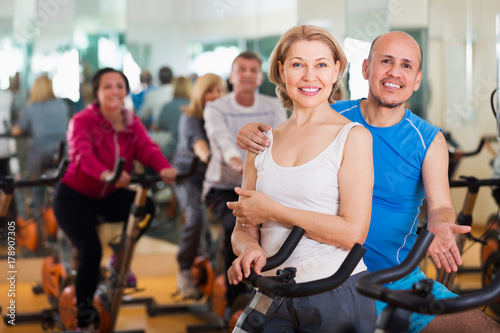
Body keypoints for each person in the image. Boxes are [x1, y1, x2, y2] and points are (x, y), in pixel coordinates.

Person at [233, 31, 500, 332]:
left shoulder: (427, 139)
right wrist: (251, 135)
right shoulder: (331, 117)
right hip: (326, 276)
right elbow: (292, 131)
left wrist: (441, 225)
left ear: (417, 79)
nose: (394, 72)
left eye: (406, 66)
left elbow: (441, 207)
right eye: (386, 61)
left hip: (393, 278)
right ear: (365, 69)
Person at [227, 25, 377, 332]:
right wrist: (249, 250)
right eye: (298, 64)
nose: (310, 76)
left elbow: (353, 233)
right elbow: (243, 228)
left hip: (335, 291)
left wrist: (273, 211)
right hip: (271, 290)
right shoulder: (261, 142)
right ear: (282, 71)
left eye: (321, 64)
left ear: (337, 70)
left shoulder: (352, 137)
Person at [52, 67, 178, 332]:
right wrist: (106, 173)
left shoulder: (131, 121)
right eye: (107, 86)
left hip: (107, 195)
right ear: (97, 93)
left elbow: (146, 148)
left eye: (119, 86)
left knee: (146, 207)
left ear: (126, 91)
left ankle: (118, 259)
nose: (114, 91)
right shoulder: (83, 120)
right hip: (73, 198)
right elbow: (81, 154)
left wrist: (164, 168)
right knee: (91, 251)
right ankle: (82, 323)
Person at [203, 51, 287, 315]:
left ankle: (267, 295)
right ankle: (233, 300)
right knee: (235, 228)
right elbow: (222, 140)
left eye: (253, 69)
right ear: (232, 76)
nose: (248, 74)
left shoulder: (272, 104)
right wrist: (238, 162)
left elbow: (283, 140)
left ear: (260, 77)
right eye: (242, 69)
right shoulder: (216, 107)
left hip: (262, 187)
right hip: (224, 187)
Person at [173, 73, 227, 299]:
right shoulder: (190, 117)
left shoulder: (226, 117)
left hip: (216, 177)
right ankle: (185, 270)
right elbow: (199, 143)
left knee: (234, 221)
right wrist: (209, 156)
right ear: (199, 94)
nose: (214, 96)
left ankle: (220, 271)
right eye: (209, 91)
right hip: (189, 177)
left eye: (219, 91)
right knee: (196, 220)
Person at [11, 74, 69, 215]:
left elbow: (18, 130)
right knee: (60, 181)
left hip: (40, 151)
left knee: (33, 179)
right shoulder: (62, 105)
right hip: (62, 151)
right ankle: (60, 210)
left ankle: (36, 211)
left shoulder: (30, 108)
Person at [156, 76, 192, 161]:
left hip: (171, 150)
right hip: (190, 151)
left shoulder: (167, 106)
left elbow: (159, 125)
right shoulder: (193, 106)